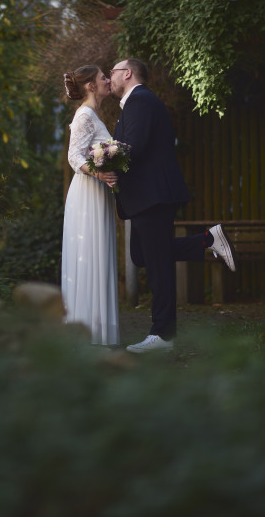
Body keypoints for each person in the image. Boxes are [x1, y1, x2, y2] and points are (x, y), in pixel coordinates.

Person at [109, 58, 235, 353]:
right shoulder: (138, 102)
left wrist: (102, 160)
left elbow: (133, 148)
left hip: (152, 194)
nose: (110, 77)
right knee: (144, 255)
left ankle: (163, 335)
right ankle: (208, 239)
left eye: (113, 72)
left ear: (127, 74)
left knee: (158, 265)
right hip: (148, 195)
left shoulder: (139, 100)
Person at [60, 65, 121, 346]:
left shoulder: (92, 114)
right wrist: (98, 173)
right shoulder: (84, 115)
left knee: (99, 254)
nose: (108, 80)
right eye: (103, 78)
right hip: (87, 193)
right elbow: (74, 156)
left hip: (97, 193)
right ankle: (87, 330)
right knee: (89, 253)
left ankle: (95, 328)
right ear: (90, 86)